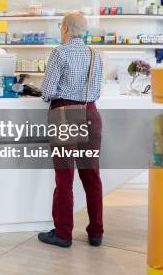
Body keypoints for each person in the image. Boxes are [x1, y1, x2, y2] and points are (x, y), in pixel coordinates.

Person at [38, 12, 104, 248]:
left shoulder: (59, 52)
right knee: (92, 175)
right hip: (91, 114)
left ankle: (63, 233)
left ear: (65, 28)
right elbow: (97, 89)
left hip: (65, 114)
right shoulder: (95, 55)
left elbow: (47, 91)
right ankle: (96, 232)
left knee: (65, 177)